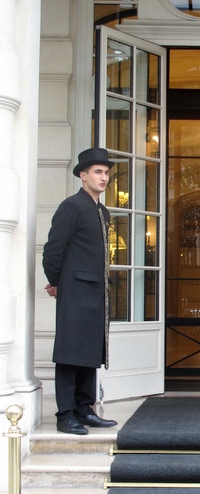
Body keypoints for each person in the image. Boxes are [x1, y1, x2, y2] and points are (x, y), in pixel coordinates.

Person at [43, 148, 118, 435]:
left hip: (97, 292)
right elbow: (53, 250)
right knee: (70, 352)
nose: (104, 177)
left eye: (107, 172)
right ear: (83, 175)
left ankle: (85, 409)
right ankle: (66, 415)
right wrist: (57, 281)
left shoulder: (102, 211)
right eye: (98, 172)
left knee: (89, 349)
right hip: (75, 291)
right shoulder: (71, 206)